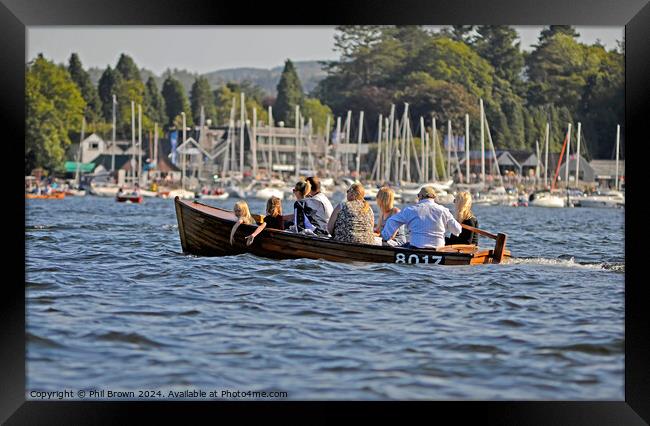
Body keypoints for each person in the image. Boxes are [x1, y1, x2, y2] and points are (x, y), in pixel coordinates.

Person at [381, 186, 461, 249]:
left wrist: (385, 238)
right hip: (438, 249)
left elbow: (392, 220)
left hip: (415, 248)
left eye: (418, 196)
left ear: (421, 196)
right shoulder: (444, 211)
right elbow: (457, 230)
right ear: (434, 197)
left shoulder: (410, 210)